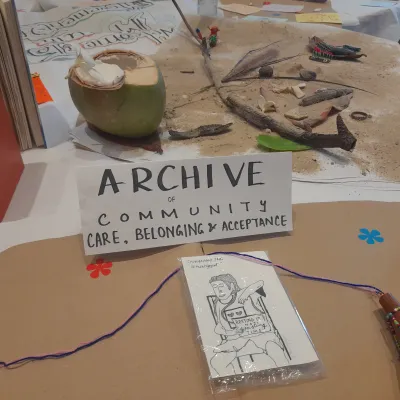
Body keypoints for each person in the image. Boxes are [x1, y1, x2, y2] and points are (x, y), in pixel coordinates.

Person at [209, 274, 288, 376]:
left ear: (231, 286)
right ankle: (232, 379)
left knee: (273, 348)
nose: (219, 290)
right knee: (216, 362)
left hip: (261, 338)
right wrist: (230, 332)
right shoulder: (218, 305)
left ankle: (286, 372)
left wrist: (246, 293)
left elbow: (260, 283)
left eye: (221, 285)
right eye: (215, 287)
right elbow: (218, 327)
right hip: (237, 343)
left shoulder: (245, 295)